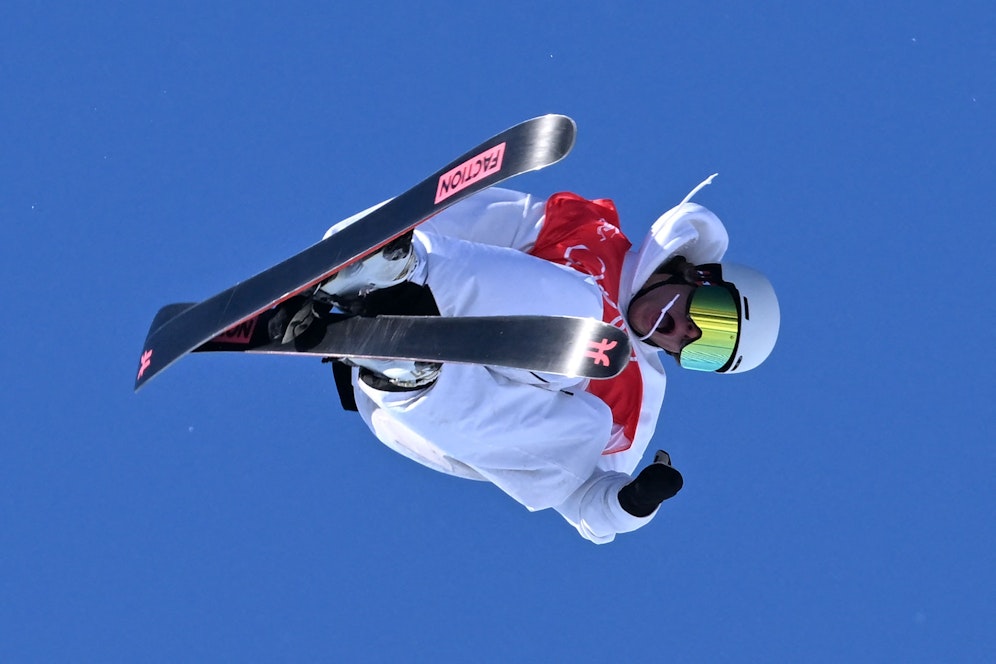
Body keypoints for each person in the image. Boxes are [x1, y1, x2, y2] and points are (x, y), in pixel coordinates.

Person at [310, 175, 780, 544]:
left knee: (591, 415)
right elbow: (465, 217)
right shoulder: (586, 230)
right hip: (422, 288)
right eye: (712, 317)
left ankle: (409, 373)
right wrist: (359, 243)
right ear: (699, 276)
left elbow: (584, 500)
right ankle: (387, 274)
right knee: (589, 316)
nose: (686, 334)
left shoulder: (638, 398)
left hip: (426, 414)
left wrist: (631, 504)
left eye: (706, 352)